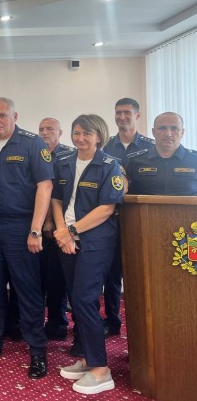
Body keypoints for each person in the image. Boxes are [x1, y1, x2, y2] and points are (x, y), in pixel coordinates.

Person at [0, 97, 52, 379]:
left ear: (15, 116)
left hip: (20, 227)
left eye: (2, 115)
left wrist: (35, 229)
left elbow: (44, 186)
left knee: (27, 289)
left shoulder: (32, 144)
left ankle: (37, 349)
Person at [53, 114, 124, 395]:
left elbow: (107, 208)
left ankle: (101, 369)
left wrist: (71, 231)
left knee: (84, 299)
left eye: (87, 133)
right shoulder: (64, 162)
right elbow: (57, 200)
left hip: (95, 241)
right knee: (77, 299)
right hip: (66, 239)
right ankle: (87, 358)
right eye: (76, 132)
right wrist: (62, 232)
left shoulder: (110, 165)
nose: (80, 138)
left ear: (99, 136)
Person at [101, 98, 153, 338]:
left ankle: (144, 321)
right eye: (118, 112)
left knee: (141, 273)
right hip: (113, 219)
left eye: (127, 113)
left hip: (141, 221)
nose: (122, 117)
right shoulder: (106, 147)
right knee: (112, 275)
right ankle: (113, 321)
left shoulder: (151, 147)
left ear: (137, 115)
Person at [38, 117, 75, 342]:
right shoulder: (35, 153)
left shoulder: (68, 156)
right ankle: (33, 323)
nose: (44, 132)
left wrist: (52, 221)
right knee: (38, 277)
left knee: (58, 279)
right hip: (35, 227)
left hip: (61, 227)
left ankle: (57, 324)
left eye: (49, 129)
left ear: (60, 133)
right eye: (41, 129)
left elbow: (58, 194)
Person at [126, 112, 197, 196]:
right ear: (153, 132)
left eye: (174, 128)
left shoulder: (194, 160)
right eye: (162, 128)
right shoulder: (134, 161)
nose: (168, 134)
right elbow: (125, 195)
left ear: (182, 132)